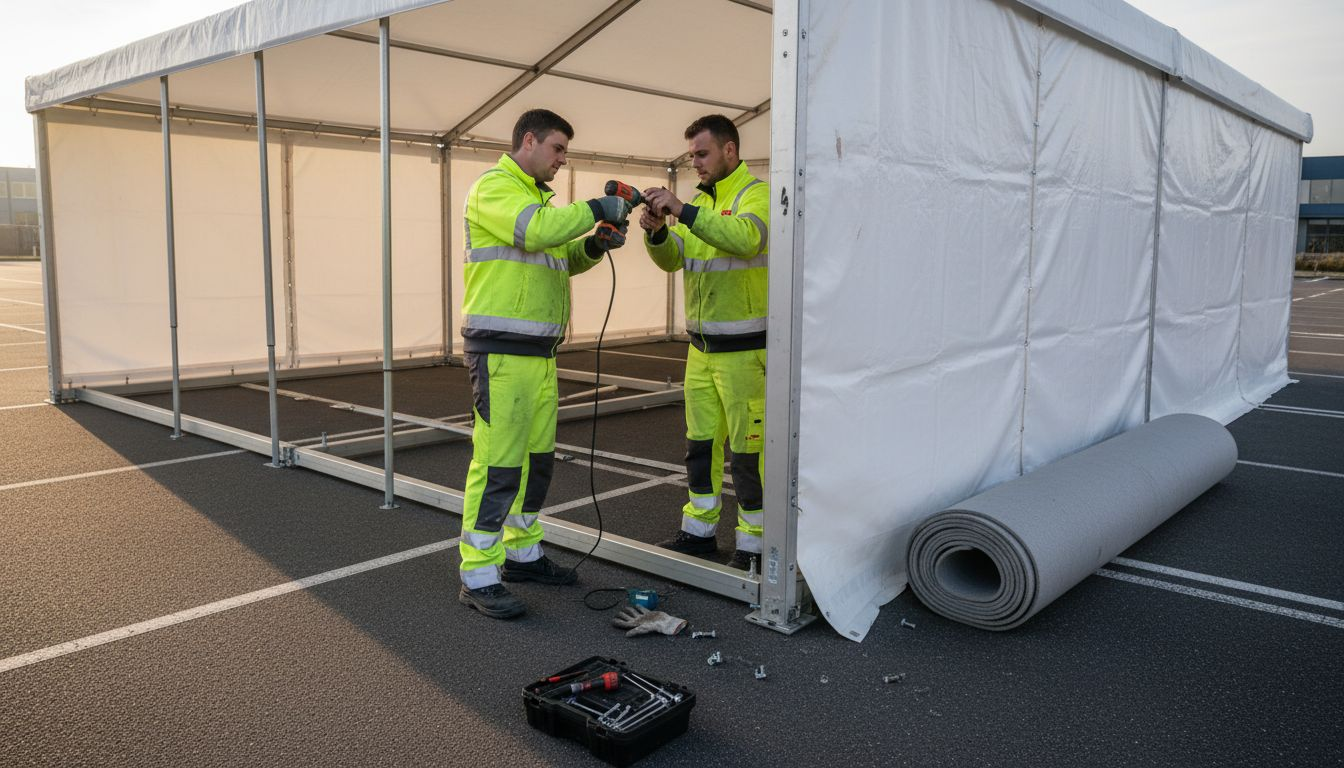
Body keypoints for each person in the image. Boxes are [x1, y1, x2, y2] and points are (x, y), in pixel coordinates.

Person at [457, 108, 632, 619]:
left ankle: (523, 555)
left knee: (535, 464)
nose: (562, 160)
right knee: (497, 467)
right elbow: (534, 234)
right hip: (502, 354)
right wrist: (597, 205)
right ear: (528, 141)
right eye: (558, 149)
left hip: (537, 356)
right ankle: (478, 572)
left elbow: (557, 261)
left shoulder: (538, 200)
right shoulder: (494, 188)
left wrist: (593, 246)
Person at [640, 114, 769, 571]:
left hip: (746, 353)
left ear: (730, 150)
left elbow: (747, 239)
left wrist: (683, 211)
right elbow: (674, 260)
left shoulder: (758, 195)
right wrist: (657, 232)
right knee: (700, 446)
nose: (694, 162)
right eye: (691, 154)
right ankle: (699, 532)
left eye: (701, 153)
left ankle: (755, 544)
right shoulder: (698, 202)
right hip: (701, 351)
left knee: (750, 454)